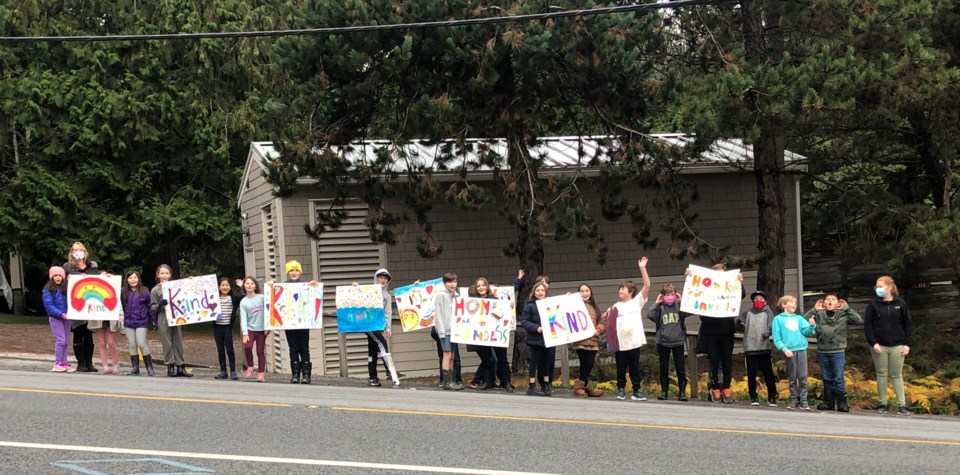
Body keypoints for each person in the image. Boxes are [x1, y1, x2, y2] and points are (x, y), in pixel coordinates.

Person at [688, 263, 745, 403]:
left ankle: (726, 388)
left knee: (727, 360)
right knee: (713, 360)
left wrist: (739, 282)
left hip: (726, 329)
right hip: (710, 329)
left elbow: (741, 295)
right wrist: (690, 277)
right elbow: (693, 294)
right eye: (717, 273)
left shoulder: (729, 285)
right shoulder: (705, 286)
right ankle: (715, 389)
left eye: (722, 273)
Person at [602, 257, 652, 401]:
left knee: (634, 367)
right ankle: (621, 389)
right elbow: (606, 319)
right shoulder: (615, 306)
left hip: (634, 341)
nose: (620, 291)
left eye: (623, 289)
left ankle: (637, 390)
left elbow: (647, 285)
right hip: (620, 342)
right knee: (621, 367)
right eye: (619, 289)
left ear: (631, 291)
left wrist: (642, 268)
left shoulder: (637, 302)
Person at [805, 292, 863, 412]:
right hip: (823, 351)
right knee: (827, 377)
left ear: (838, 303)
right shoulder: (819, 314)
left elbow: (858, 320)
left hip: (838, 351)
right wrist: (814, 309)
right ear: (823, 303)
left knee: (838, 377)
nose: (830, 301)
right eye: (827, 299)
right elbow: (802, 320)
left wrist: (846, 308)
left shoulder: (843, 315)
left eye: (833, 299)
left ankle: (842, 402)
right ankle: (828, 402)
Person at [865, 276, 913, 416]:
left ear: (890, 287)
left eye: (881, 286)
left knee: (897, 374)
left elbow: (907, 325)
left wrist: (907, 344)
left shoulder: (900, 304)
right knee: (881, 373)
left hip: (898, 345)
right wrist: (873, 343)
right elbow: (868, 326)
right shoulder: (873, 305)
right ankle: (882, 403)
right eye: (877, 286)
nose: (878, 289)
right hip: (879, 345)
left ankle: (901, 405)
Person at [466, 277, 512, 392]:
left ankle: (506, 382)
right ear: (476, 289)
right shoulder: (472, 303)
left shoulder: (496, 300)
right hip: (482, 335)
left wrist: (509, 308)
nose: (481, 287)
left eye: (483, 285)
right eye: (478, 286)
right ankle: (487, 382)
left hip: (496, 334)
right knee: (487, 360)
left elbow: (503, 315)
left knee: (502, 359)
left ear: (487, 287)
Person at [771, 295, 816, 410]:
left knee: (803, 376)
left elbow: (807, 332)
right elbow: (777, 338)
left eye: (795, 303)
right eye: (791, 302)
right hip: (789, 351)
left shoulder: (799, 318)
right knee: (792, 376)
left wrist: (811, 325)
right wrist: (784, 349)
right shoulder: (778, 319)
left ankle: (804, 400)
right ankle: (793, 400)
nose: (794, 305)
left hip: (801, 349)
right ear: (784, 305)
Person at [647, 283, 688, 401]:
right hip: (663, 342)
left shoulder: (679, 306)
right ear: (663, 296)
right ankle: (664, 391)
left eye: (672, 294)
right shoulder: (660, 308)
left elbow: (690, 312)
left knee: (680, 368)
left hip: (678, 341)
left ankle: (682, 392)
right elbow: (649, 315)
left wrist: (682, 301)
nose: (670, 297)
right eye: (667, 294)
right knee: (663, 368)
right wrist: (656, 302)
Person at [736, 290, 778, 407]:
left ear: (765, 301)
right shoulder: (748, 313)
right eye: (755, 299)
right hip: (750, 348)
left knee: (768, 373)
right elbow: (739, 324)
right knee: (751, 374)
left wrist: (765, 334)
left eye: (760, 299)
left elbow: (771, 326)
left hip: (764, 348)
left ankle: (772, 396)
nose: (758, 301)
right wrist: (739, 324)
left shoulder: (768, 313)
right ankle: (753, 396)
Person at [361, 269, 401, 388]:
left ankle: (373, 378)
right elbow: (357, 295)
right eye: (380, 277)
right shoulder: (368, 291)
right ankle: (390, 372)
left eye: (385, 278)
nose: (382, 280)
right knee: (382, 344)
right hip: (368, 324)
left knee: (373, 349)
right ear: (376, 278)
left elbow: (387, 313)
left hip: (378, 326)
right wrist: (355, 287)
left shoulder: (387, 296)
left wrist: (388, 328)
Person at [150, 264, 192, 377]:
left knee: (178, 341)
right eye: (162, 273)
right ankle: (170, 366)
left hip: (176, 315)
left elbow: (188, 290)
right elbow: (152, 307)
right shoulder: (155, 290)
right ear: (158, 275)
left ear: (170, 274)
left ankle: (180, 366)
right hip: (163, 316)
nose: (164, 275)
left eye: (166, 273)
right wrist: (159, 305)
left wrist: (190, 281)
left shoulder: (176, 286)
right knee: (167, 342)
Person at [63, 242, 99, 372]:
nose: (78, 252)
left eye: (80, 249)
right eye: (75, 250)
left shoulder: (92, 265)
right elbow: (64, 281)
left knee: (89, 334)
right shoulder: (67, 267)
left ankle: (89, 362)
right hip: (76, 304)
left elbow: (97, 279)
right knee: (78, 332)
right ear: (71, 252)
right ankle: (81, 362)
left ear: (85, 251)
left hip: (91, 304)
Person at [281, 260, 313, 384]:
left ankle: (306, 374)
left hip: (303, 322)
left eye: (296, 270)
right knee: (293, 348)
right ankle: (295, 374)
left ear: (300, 271)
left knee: (304, 348)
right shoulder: (283, 286)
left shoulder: (306, 284)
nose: (294, 273)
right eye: (291, 270)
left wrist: (313, 287)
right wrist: (272, 286)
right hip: (289, 322)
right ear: (288, 272)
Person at [520, 282, 554, 396]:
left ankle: (546, 384)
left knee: (546, 361)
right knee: (534, 361)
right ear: (534, 292)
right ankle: (532, 385)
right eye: (538, 290)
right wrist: (536, 328)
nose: (540, 292)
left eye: (542, 290)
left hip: (547, 338)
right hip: (535, 338)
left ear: (546, 292)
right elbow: (524, 321)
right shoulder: (530, 305)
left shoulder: (550, 304)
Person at [572, 283, 604, 398]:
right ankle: (582, 387)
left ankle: (583, 386)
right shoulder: (575, 305)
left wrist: (598, 330)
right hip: (581, 341)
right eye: (582, 291)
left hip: (593, 340)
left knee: (589, 364)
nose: (585, 293)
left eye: (587, 291)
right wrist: (569, 299)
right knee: (584, 364)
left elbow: (601, 321)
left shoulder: (595, 307)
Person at [121, 271, 155, 376]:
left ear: (138, 279)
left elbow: (150, 306)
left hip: (141, 321)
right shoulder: (123, 291)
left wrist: (153, 319)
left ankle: (149, 367)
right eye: (130, 278)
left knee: (141, 343)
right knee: (132, 345)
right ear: (127, 280)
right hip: (128, 322)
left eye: (135, 277)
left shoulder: (144, 291)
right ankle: (135, 368)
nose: (133, 280)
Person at [435, 272, 464, 390]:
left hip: (454, 330)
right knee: (446, 354)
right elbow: (438, 315)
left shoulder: (457, 296)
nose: (453, 284)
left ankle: (451, 380)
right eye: (450, 282)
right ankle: (446, 382)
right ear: (445, 283)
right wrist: (441, 331)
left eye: (454, 281)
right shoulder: (441, 296)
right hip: (445, 330)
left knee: (452, 355)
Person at [42, 266, 75, 372]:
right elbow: (49, 306)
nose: (57, 278)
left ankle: (64, 362)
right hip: (56, 317)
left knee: (65, 341)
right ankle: (57, 363)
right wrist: (60, 314)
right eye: (55, 275)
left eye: (60, 275)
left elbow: (75, 293)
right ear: (51, 277)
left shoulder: (65, 288)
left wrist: (75, 279)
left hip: (66, 317)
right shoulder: (47, 290)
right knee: (61, 340)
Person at [214, 277, 243, 381]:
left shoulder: (233, 298)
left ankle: (233, 371)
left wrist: (242, 286)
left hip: (227, 327)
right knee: (220, 350)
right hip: (217, 327)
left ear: (230, 287)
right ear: (218, 287)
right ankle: (223, 371)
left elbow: (244, 297)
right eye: (222, 285)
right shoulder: (214, 298)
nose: (225, 287)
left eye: (227, 285)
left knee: (230, 349)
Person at [239, 277, 267, 382]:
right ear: (244, 286)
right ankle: (250, 366)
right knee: (248, 347)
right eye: (247, 283)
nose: (250, 285)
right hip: (250, 329)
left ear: (255, 285)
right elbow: (243, 319)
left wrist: (267, 327)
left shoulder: (262, 298)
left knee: (260, 351)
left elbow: (269, 311)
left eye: (252, 283)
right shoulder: (243, 302)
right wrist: (245, 333)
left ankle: (260, 374)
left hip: (261, 330)